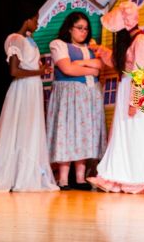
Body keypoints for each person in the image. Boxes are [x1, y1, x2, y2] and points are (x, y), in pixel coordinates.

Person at [0, 10, 59, 193]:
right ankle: (14, 175)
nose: (37, 23)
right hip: (23, 89)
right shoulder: (15, 40)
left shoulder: (28, 40)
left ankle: (25, 173)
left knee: (29, 129)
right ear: (27, 20)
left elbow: (27, 64)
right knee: (20, 128)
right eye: (36, 19)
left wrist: (39, 68)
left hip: (32, 89)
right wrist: (38, 72)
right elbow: (14, 71)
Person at [86, 2, 144, 194]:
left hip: (137, 92)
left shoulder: (141, 41)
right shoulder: (131, 41)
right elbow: (119, 61)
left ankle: (137, 178)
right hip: (125, 88)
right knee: (124, 134)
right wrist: (100, 50)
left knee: (137, 134)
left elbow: (141, 73)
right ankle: (118, 176)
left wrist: (134, 101)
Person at [46, 11, 107, 191]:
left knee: (83, 133)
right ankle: (63, 178)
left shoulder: (91, 48)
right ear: (70, 28)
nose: (83, 32)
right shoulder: (59, 44)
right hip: (69, 94)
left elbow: (100, 67)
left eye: (86, 29)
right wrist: (88, 67)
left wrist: (78, 64)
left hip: (88, 95)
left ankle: (80, 178)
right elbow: (66, 69)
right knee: (67, 131)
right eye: (79, 28)